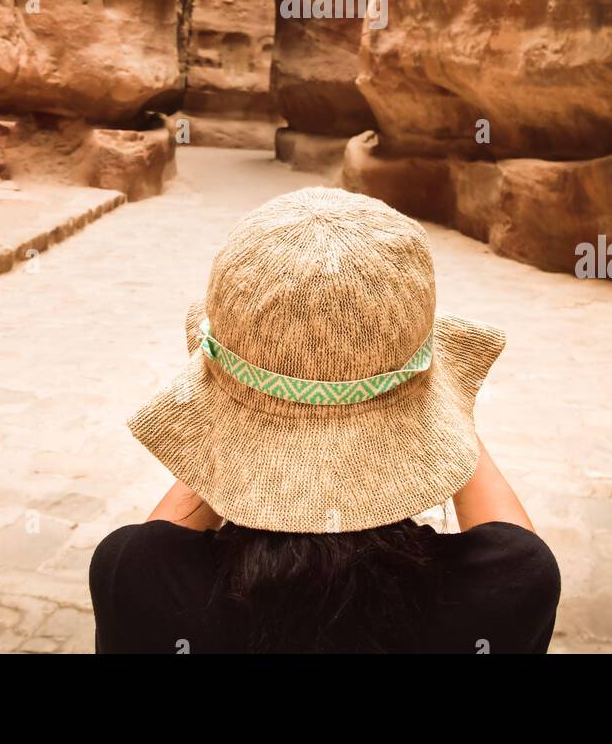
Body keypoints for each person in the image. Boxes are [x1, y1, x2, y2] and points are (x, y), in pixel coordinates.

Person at [90, 186, 560, 653]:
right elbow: (510, 532)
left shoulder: (136, 578)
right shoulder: (511, 583)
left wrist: (236, 404)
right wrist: (442, 403)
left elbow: (163, 534)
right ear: (427, 405)